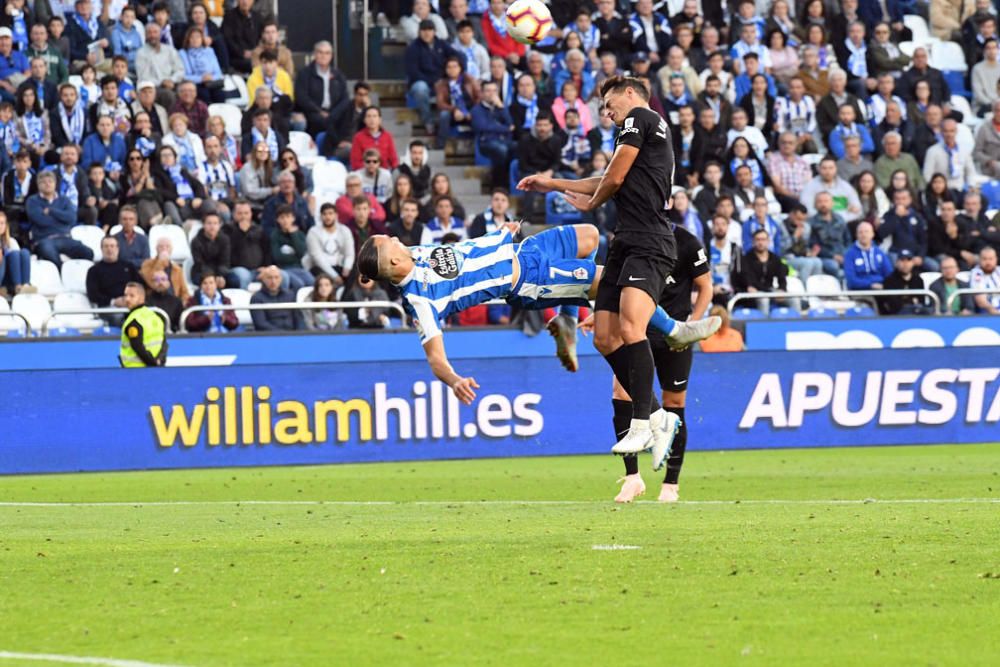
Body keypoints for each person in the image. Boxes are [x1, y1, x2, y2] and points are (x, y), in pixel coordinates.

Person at [518, 75, 720, 473]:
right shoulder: (635, 134)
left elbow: (611, 179)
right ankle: (660, 413)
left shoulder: (641, 119)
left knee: (631, 330)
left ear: (631, 94)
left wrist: (591, 202)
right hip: (625, 243)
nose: (607, 114)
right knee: (606, 337)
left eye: (609, 105)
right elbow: (610, 177)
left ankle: (643, 423)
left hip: (649, 241)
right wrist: (553, 183)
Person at [581, 222, 711, 502]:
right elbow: (616, 288)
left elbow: (705, 286)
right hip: (637, 330)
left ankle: (671, 483)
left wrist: (691, 326)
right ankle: (632, 477)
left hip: (674, 335)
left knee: (674, 404)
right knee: (621, 392)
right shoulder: (631, 240)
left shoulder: (686, 242)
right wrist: (604, 316)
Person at [405, 19, 463, 137]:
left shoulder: (441, 44)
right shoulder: (413, 48)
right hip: (422, 81)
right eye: (424, 30)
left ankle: (458, 120)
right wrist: (432, 82)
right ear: (419, 32)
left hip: (442, 81)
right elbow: (412, 71)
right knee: (420, 89)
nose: (427, 33)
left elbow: (458, 56)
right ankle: (428, 122)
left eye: (430, 30)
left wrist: (451, 75)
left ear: (434, 31)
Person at [26, 169, 92, 268]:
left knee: (88, 253)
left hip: (65, 237)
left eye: (50, 181)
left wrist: (52, 211)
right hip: (44, 239)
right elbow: (40, 221)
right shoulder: (32, 201)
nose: (47, 184)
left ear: (55, 183)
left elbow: (72, 218)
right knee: (50, 255)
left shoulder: (64, 200)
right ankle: (62, 276)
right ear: (38, 185)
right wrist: (61, 220)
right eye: (43, 182)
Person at [86, 235, 140, 325]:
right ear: (101, 249)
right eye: (106, 246)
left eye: (112, 246)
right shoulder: (94, 271)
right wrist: (114, 301)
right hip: (107, 307)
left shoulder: (128, 266)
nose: (109, 249)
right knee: (120, 317)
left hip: (131, 304)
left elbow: (139, 286)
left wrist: (129, 299)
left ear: (118, 248)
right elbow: (93, 295)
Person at [470, 79, 513, 188]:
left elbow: (511, 125)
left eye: (494, 91)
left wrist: (502, 108)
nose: (491, 94)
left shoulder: (501, 108)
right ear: (482, 93)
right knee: (501, 150)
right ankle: (499, 185)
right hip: (486, 142)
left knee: (519, 148)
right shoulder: (477, 110)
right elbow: (483, 127)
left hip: (504, 141)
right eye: (488, 91)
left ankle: (508, 182)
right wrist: (505, 129)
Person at [732, 228, 788, 310]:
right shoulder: (746, 259)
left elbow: (782, 276)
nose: (760, 242)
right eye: (758, 239)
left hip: (770, 291)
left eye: (763, 239)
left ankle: (798, 322)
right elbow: (749, 279)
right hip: (754, 292)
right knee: (763, 300)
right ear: (753, 242)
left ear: (768, 241)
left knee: (793, 299)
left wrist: (782, 289)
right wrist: (767, 292)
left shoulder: (775, 258)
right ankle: (765, 323)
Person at [135, 22, 185, 109]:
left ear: (160, 34)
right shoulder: (141, 53)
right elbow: (143, 77)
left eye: (155, 32)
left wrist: (171, 80)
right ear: (145, 35)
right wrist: (163, 82)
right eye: (149, 32)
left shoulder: (170, 50)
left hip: (173, 83)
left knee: (189, 90)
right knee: (168, 95)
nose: (152, 35)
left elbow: (180, 70)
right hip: (154, 87)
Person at [800, 156, 863, 223]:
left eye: (831, 168)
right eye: (824, 168)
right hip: (818, 224)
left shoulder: (846, 186)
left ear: (836, 169)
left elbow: (857, 210)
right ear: (819, 169)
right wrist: (826, 219)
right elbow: (807, 210)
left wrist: (838, 220)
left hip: (844, 223)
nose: (828, 172)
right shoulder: (810, 186)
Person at [119, 281, 167, 367]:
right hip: (157, 367)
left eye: (132, 296)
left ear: (142, 298)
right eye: (125, 295)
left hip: (135, 370)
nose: (127, 299)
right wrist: (159, 361)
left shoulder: (134, 321)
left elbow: (138, 348)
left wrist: (153, 364)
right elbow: (164, 344)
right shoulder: (156, 316)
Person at [923, 119, 979, 193]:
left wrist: (971, 185)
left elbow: (970, 172)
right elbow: (927, 175)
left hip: (960, 189)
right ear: (941, 132)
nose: (949, 134)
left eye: (952, 131)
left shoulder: (963, 150)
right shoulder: (932, 151)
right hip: (941, 190)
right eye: (946, 131)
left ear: (956, 131)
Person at [305, 202, 354, 286]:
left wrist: (347, 267)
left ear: (336, 215)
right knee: (322, 278)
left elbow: (349, 253)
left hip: (339, 266)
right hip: (320, 267)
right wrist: (334, 276)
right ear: (320, 216)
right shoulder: (313, 232)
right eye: (324, 214)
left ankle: (345, 298)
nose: (328, 217)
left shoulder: (344, 230)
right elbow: (317, 258)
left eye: (330, 213)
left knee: (354, 275)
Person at [249, 264, 305, 331]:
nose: (273, 281)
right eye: (269, 278)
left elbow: (299, 319)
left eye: (276, 277)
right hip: (269, 337)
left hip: (292, 336)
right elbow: (260, 324)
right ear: (263, 279)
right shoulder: (256, 298)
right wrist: (281, 334)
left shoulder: (290, 295)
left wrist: (299, 334)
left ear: (281, 279)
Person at [269, 204, 312, 290]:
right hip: (283, 269)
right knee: (298, 284)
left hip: (299, 268)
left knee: (312, 282)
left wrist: (293, 235)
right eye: (282, 217)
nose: (285, 220)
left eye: (288, 217)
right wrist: (294, 257)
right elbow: (277, 257)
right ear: (278, 220)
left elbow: (301, 253)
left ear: (293, 218)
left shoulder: (299, 234)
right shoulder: (275, 235)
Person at [809, 191, 851, 276]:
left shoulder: (840, 219)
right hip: (825, 257)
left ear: (832, 203)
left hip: (842, 254)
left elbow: (848, 240)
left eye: (826, 201)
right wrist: (833, 256)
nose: (823, 204)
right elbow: (813, 245)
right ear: (815, 204)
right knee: (833, 266)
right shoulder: (811, 223)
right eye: (820, 201)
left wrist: (845, 255)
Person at [844, 220, 893, 289]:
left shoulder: (880, 252)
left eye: (866, 232)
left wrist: (884, 285)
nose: (863, 235)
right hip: (860, 292)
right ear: (856, 235)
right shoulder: (850, 254)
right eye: (860, 232)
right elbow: (851, 280)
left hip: (881, 290)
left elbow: (889, 274)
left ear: (872, 234)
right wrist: (870, 285)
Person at [880, 250, 930, 315]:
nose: (905, 264)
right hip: (897, 317)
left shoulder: (918, 279)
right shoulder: (889, 280)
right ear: (897, 263)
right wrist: (912, 301)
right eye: (902, 260)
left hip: (917, 313)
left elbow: (921, 301)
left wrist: (906, 301)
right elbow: (893, 305)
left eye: (908, 260)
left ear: (912, 263)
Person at [221, 0, 264, 74]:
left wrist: (256, 52)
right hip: (237, 57)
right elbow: (228, 40)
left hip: (256, 54)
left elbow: (261, 37)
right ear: (237, 1)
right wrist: (242, 52)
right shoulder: (229, 17)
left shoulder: (257, 17)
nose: (245, 2)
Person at [0, 209, 32, 295]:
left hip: (12, 275)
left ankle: (25, 285)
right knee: (13, 254)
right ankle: (17, 286)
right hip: (2, 277)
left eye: (2, 223)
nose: (0, 226)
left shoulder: (11, 241)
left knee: (24, 252)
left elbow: (17, 260)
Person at [112, 205, 148, 270]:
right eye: (125, 219)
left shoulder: (143, 239)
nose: (128, 222)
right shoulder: (114, 239)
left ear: (136, 221)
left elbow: (146, 261)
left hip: (138, 273)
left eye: (131, 219)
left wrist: (126, 262)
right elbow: (113, 260)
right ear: (120, 221)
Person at [973, 100, 1000, 179]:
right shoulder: (984, 128)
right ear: (993, 112)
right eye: (997, 111)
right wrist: (989, 161)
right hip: (990, 166)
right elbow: (977, 152)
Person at [969, 245, 1000, 313]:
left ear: (996, 259)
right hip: (988, 313)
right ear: (980, 260)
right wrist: (994, 312)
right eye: (985, 259)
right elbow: (981, 300)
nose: (988, 262)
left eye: (991, 259)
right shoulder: (976, 273)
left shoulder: (998, 271)